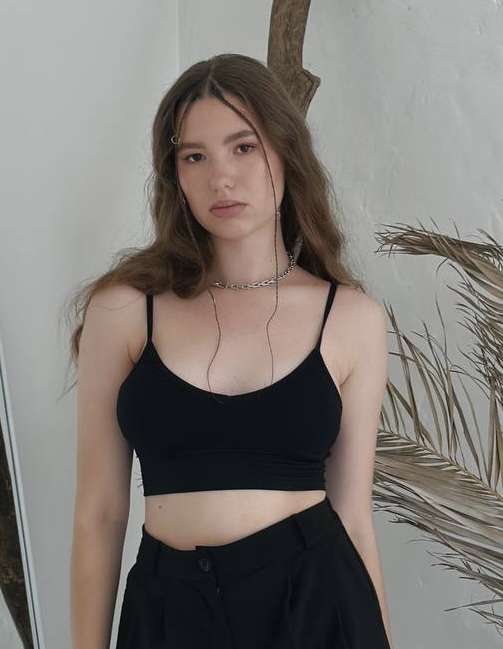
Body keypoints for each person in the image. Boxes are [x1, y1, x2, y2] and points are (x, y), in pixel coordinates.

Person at [69, 53, 393, 649]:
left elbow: (353, 517)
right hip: (169, 613)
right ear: (175, 176)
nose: (220, 177)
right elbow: (100, 512)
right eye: (194, 156)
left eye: (243, 147)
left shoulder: (351, 318)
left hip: (315, 606)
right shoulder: (123, 310)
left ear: (285, 153)